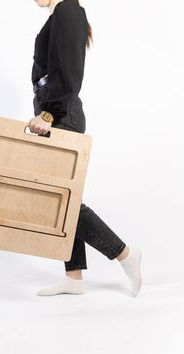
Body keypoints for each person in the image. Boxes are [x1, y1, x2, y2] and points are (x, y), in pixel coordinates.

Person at [29, 0, 142, 297]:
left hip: (61, 114)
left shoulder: (68, 9)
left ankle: (125, 254)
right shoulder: (60, 13)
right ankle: (73, 276)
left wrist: (49, 113)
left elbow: (69, 70)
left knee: (64, 198)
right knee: (64, 196)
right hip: (54, 109)